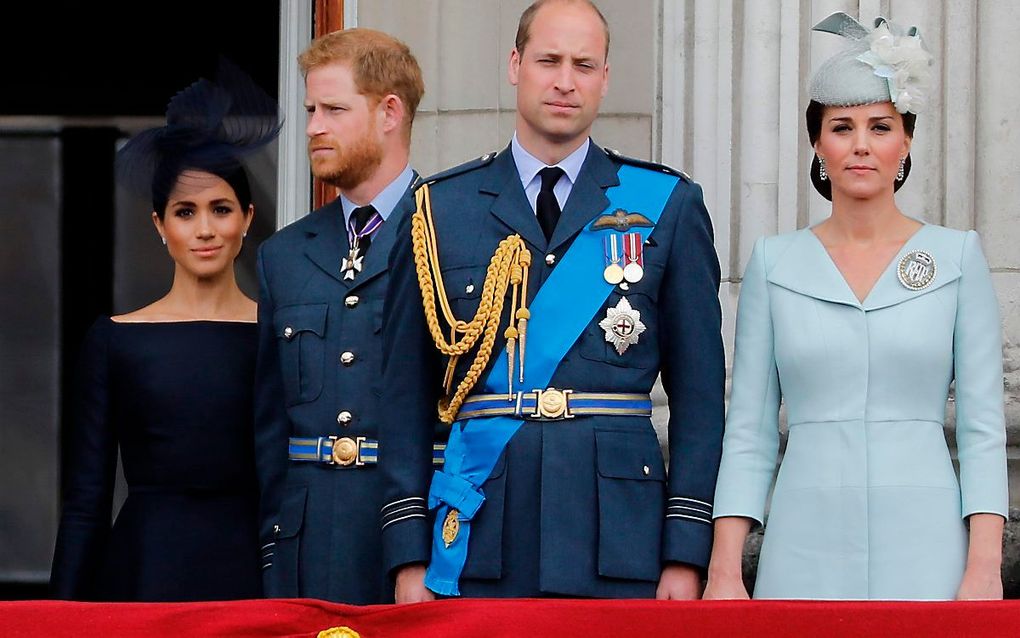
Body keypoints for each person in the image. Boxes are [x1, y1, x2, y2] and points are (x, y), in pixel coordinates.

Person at [379, 0, 724, 601]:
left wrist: (686, 553)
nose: (566, 81)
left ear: (605, 78)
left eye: (584, 65)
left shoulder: (666, 204)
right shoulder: (440, 209)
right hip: (477, 540)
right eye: (549, 60)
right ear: (515, 65)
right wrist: (409, 556)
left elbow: (699, 397)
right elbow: (403, 398)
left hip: (620, 543)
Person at [705, 12, 1008, 600]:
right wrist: (724, 568)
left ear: (906, 139)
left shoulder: (956, 257)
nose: (862, 145)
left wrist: (985, 564)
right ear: (818, 143)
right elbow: (749, 429)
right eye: (842, 127)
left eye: (881, 126)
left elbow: (981, 429)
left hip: (929, 544)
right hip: (802, 540)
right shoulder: (774, 263)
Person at [50, 62, 280, 601]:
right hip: (143, 575)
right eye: (185, 211)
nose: (204, 228)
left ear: (246, 218)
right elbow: (86, 501)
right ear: (160, 224)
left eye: (220, 209)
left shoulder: (278, 335)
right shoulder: (114, 340)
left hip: (254, 575)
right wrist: (57, 615)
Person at [253, 28, 437, 604]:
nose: (312, 127)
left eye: (333, 109)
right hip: (306, 547)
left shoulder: (453, 232)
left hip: (420, 542)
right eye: (310, 109)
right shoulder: (283, 254)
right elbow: (269, 425)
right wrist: (272, 546)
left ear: (389, 112)